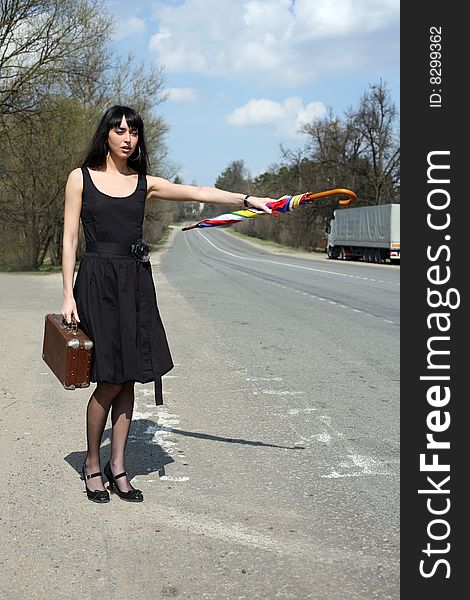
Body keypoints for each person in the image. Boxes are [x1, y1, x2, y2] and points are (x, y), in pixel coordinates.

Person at [61, 105, 275, 503]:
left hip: (136, 280)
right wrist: (67, 293)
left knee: (129, 379)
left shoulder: (146, 183)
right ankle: (92, 462)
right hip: (96, 281)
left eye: (134, 132)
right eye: (120, 130)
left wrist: (249, 198)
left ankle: (118, 466)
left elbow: (199, 192)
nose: (128, 138)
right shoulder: (81, 178)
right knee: (109, 378)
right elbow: (70, 239)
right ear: (105, 135)